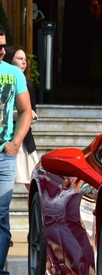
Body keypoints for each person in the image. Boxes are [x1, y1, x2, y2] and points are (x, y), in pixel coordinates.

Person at [0, 26, 33, 275]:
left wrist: (15, 143)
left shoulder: (13, 74)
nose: (2, 51)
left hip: (3, 155)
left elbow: (26, 111)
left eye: (3, 46)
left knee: (0, 216)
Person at [4, 46, 38, 191]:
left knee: (33, 183)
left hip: (23, 140)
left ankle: (35, 213)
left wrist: (27, 115)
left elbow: (32, 112)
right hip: (4, 138)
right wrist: (13, 115)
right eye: (19, 58)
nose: (24, 62)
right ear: (9, 60)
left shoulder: (28, 84)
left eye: (25, 59)